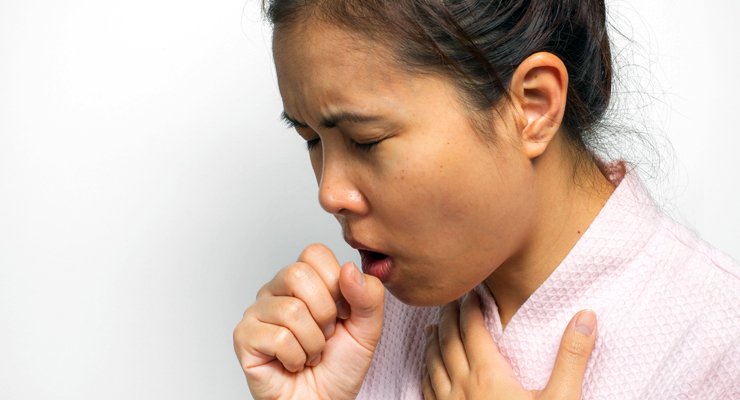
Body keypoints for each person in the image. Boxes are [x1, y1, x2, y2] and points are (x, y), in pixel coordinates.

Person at [233, 0, 740, 399]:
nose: (328, 193)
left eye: (366, 140)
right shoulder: (358, 332)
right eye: (311, 140)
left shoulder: (717, 341)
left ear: (533, 107)